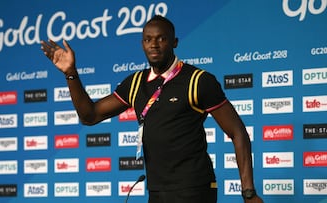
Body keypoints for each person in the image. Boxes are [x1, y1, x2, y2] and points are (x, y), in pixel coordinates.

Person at [41, 15, 263, 203]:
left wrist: (248, 192)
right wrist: (70, 73)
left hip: (195, 190)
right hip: (157, 192)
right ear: (142, 44)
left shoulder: (198, 80)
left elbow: (238, 133)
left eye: (161, 39)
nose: (154, 45)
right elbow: (89, 116)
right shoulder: (135, 83)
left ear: (174, 42)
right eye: (148, 39)